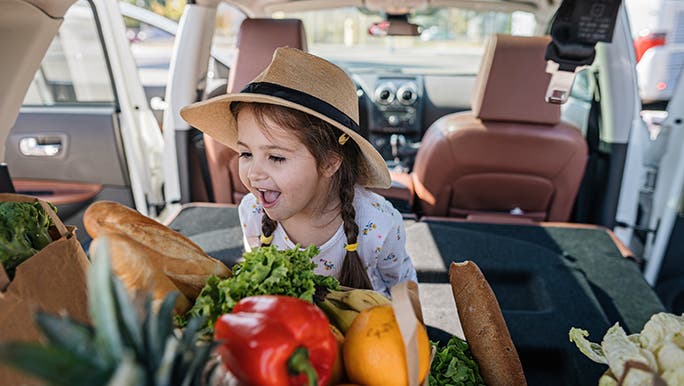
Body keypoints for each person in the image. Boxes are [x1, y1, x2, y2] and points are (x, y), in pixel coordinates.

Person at [180, 47, 416, 295]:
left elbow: (401, 287)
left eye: (276, 157)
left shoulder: (378, 223)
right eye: (246, 154)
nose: (254, 174)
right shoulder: (252, 212)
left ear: (329, 163)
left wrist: (411, 335)